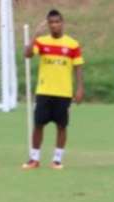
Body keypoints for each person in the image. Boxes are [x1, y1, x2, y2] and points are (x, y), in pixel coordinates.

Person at [22, 9, 84, 170]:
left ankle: (57, 159)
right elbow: (27, 54)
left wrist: (79, 89)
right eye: (51, 22)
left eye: (57, 22)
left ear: (62, 23)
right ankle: (34, 158)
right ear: (48, 25)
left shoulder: (72, 44)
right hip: (44, 91)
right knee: (38, 125)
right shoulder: (41, 41)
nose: (54, 25)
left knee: (62, 126)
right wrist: (35, 35)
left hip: (63, 93)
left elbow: (78, 67)